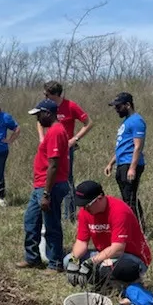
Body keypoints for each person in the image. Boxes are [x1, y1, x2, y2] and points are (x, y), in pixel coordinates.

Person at [63, 180, 152, 286]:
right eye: (82, 206)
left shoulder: (120, 211)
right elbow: (81, 242)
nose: (84, 209)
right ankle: (99, 284)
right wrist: (74, 260)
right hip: (105, 254)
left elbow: (118, 249)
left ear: (99, 198)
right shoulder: (85, 212)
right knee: (67, 261)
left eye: (87, 205)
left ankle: (127, 286)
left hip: (131, 257)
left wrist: (91, 262)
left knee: (105, 267)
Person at [18, 99, 69, 273]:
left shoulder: (55, 132)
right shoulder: (53, 131)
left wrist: (47, 193)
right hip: (40, 186)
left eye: (39, 114)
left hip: (50, 187)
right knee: (31, 220)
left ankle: (55, 263)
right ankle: (32, 258)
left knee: (51, 224)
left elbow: (53, 165)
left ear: (48, 113)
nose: (37, 118)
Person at [38, 81, 93, 222]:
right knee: (50, 177)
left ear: (56, 94)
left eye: (47, 94)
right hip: (50, 147)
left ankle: (69, 216)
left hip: (66, 149)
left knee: (66, 180)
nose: (45, 97)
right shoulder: (47, 106)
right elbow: (39, 121)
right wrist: (42, 138)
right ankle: (54, 208)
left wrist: (75, 139)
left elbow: (88, 123)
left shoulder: (70, 106)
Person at [105, 92, 147, 231]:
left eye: (118, 107)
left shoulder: (136, 121)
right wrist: (111, 163)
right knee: (126, 198)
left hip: (130, 164)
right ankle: (135, 228)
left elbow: (138, 146)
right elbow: (123, 146)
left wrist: (132, 168)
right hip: (122, 163)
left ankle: (138, 230)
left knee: (130, 199)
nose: (116, 110)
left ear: (128, 105)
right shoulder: (126, 121)